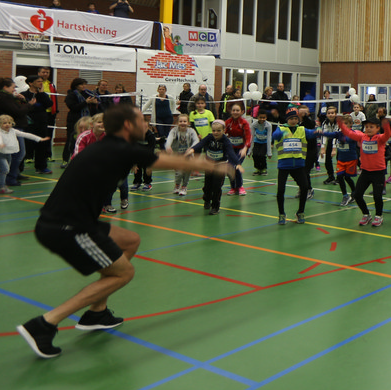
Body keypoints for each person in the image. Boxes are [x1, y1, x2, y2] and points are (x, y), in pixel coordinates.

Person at [15, 105, 230, 358]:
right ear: (128, 125)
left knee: (129, 240)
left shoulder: (112, 147)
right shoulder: (119, 148)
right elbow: (166, 161)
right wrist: (212, 166)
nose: (146, 125)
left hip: (73, 222)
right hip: (68, 227)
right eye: (141, 120)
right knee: (123, 273)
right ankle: (44, 324)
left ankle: (97, 312)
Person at [334, 114, 391, 227]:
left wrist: (386, 125)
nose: (368, 129)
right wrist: (340, 124)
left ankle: (379, 216)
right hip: (365, 172)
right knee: (357, 195)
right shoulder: (362, 137)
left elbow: (388, 134)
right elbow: (348, 133)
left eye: (371, 127)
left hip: (378, 172)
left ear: (377, 128)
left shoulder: (380, 139)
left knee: (377, 196)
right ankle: (366, 214)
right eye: (366, 127)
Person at [272, 109, 318, 225]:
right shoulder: (281, 128)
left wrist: (320, 130)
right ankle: (281, 213)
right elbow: (274, 136)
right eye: (291, 119)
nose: (293, 121)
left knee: (304, 187)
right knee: (280, 190)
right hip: (284, 165)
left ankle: (300, 212)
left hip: (298, 165)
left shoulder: (302, 129)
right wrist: (281, 133)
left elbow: (313, 133)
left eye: (295, 119)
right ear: (287, 120)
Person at [188, 120, 243, 214]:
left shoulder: (226, 141)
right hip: (209, 165)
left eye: (218, 131)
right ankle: (207, 200)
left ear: (223, 131)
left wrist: (237, 163)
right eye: (214, 130)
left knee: (216, 187)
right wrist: (192, 149)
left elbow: (231, 152)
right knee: (207, 186)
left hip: (220, 166)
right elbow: (201, 144)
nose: (216, 133)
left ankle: (215, 207)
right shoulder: (209, 137)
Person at [0, 114, 48, 193]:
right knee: (5, 169)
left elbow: (26, 135)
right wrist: (0, 144)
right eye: (4, 123)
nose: (7, 125)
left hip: (8, 154)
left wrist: (39, 139)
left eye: (9, 123)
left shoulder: (13, 131)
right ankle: (0, 187)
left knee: (6, 170)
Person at [0, 77, 30, 185]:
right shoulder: (4, 98)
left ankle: (14, 174)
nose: (14, 89)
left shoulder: (8, 97)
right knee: (18, 154)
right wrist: (29, 105)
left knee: (16, 153)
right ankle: (10, 177)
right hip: (11, 128)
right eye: (13, 87)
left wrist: (22, 101)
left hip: (13, 127)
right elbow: (17, 111)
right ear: (5, 87)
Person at [322, 115, 359, 206]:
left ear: (351, 124)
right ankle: (345, 195)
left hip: (351, 160)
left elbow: (348, 139)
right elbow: (331, 134)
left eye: (346, 123)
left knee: (347, 177)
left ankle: (354, 192)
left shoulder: (353, 134)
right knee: (339, 176)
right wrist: (321, 132)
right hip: (341, 160)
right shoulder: (339, 133)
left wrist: (343, 137)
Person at [22, 74, 53, 174]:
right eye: (38, 81)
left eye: (41, 81)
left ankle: (41, 167)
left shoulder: (42, 95)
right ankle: (18, 170)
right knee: (26, 146)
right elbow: (25, 108)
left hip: (42, 123)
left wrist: (41, 94)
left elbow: (49, 104)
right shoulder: (24, 95)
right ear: (31, 83)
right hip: (29, 124)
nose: (41, 83)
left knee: (41, 145)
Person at [165, 114, 200, 196]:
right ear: (177, 123)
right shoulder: (174, 131)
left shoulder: (191, 131)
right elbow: (169, 139)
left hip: (188, 155)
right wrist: (168, 146)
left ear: (188, 123)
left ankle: (184, 186)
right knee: (179, 172)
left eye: (185, 121)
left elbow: (196, 141)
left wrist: (191, 148)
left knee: (187, 172)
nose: (182, 123)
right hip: (177, 156)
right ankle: (177, 185)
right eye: (180, 121)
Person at [63, 78, 95, 165]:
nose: (84, 86)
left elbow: (91, 107)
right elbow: (73, 107)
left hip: (86, 120)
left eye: (85, 84)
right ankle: (65, 159)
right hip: (74, 120)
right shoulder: (71, 95)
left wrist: (94, 103)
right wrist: (85, 102)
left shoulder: (87, 93)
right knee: (71, 139)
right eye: (82, 84)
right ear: (76, 86)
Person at [223, 103, 251, 196]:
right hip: (231, 149)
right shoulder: (228, 122)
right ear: (230, 111)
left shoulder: (244, 123)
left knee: (237, 166)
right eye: (233, 110)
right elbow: (223, 133)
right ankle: (233, 187)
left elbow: (248, 137)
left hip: (241, 150)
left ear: (242, 112)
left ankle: (240, 186)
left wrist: (245, 148)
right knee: (230, 167)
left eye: (237, 110)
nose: (235, 112)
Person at [249, 109, 273, 176]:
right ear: (257, 117)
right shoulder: (254, 125)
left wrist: (269, 152)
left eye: (264, 117)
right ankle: (257, 168)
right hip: (257, 141)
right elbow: (252, 137)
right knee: (255, 155)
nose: (262, 119)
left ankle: (263, 168)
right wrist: (249, 150)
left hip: (265, 142)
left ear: (266, 117)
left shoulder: (268, 125)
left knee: (261, 155)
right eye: (260, 117)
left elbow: (269, 138)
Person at [153, 85, 174, 149]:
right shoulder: (154, 97)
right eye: (160, 89)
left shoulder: (169, 97)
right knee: (160, 133)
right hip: (158, 118)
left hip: (168, 118)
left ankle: (167, 147)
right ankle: (162, 148)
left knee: (166, 134)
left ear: (165, 90)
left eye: (163, 89)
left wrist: (172, 112)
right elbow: (147, 105)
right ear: (157, 90)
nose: (161, 90)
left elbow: (173, 104)